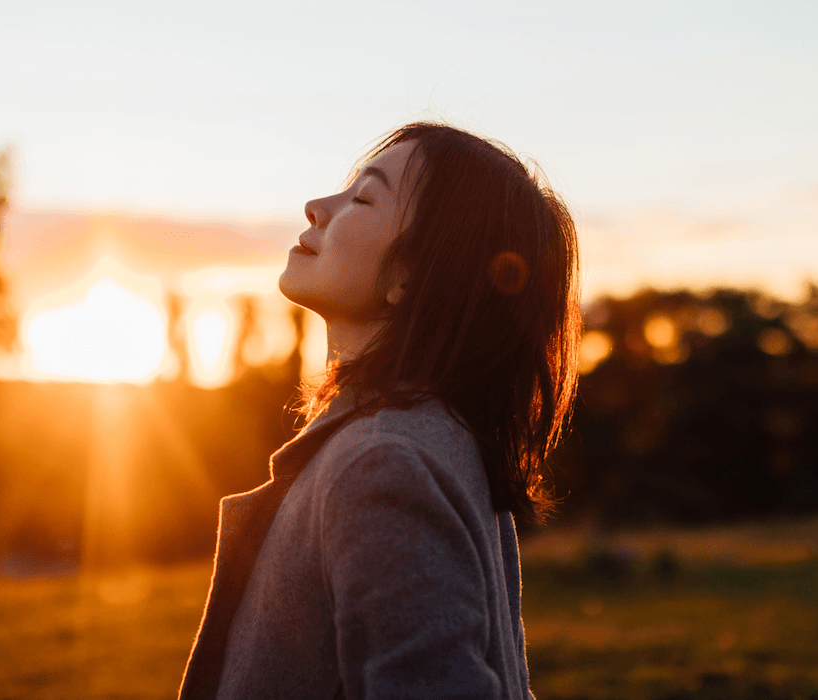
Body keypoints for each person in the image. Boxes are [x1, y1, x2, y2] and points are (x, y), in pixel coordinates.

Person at [178, 122, 580, 699]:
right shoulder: (441, 439)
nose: (317, 207)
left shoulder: (382, 464)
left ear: (412, 275)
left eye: (363, 198)